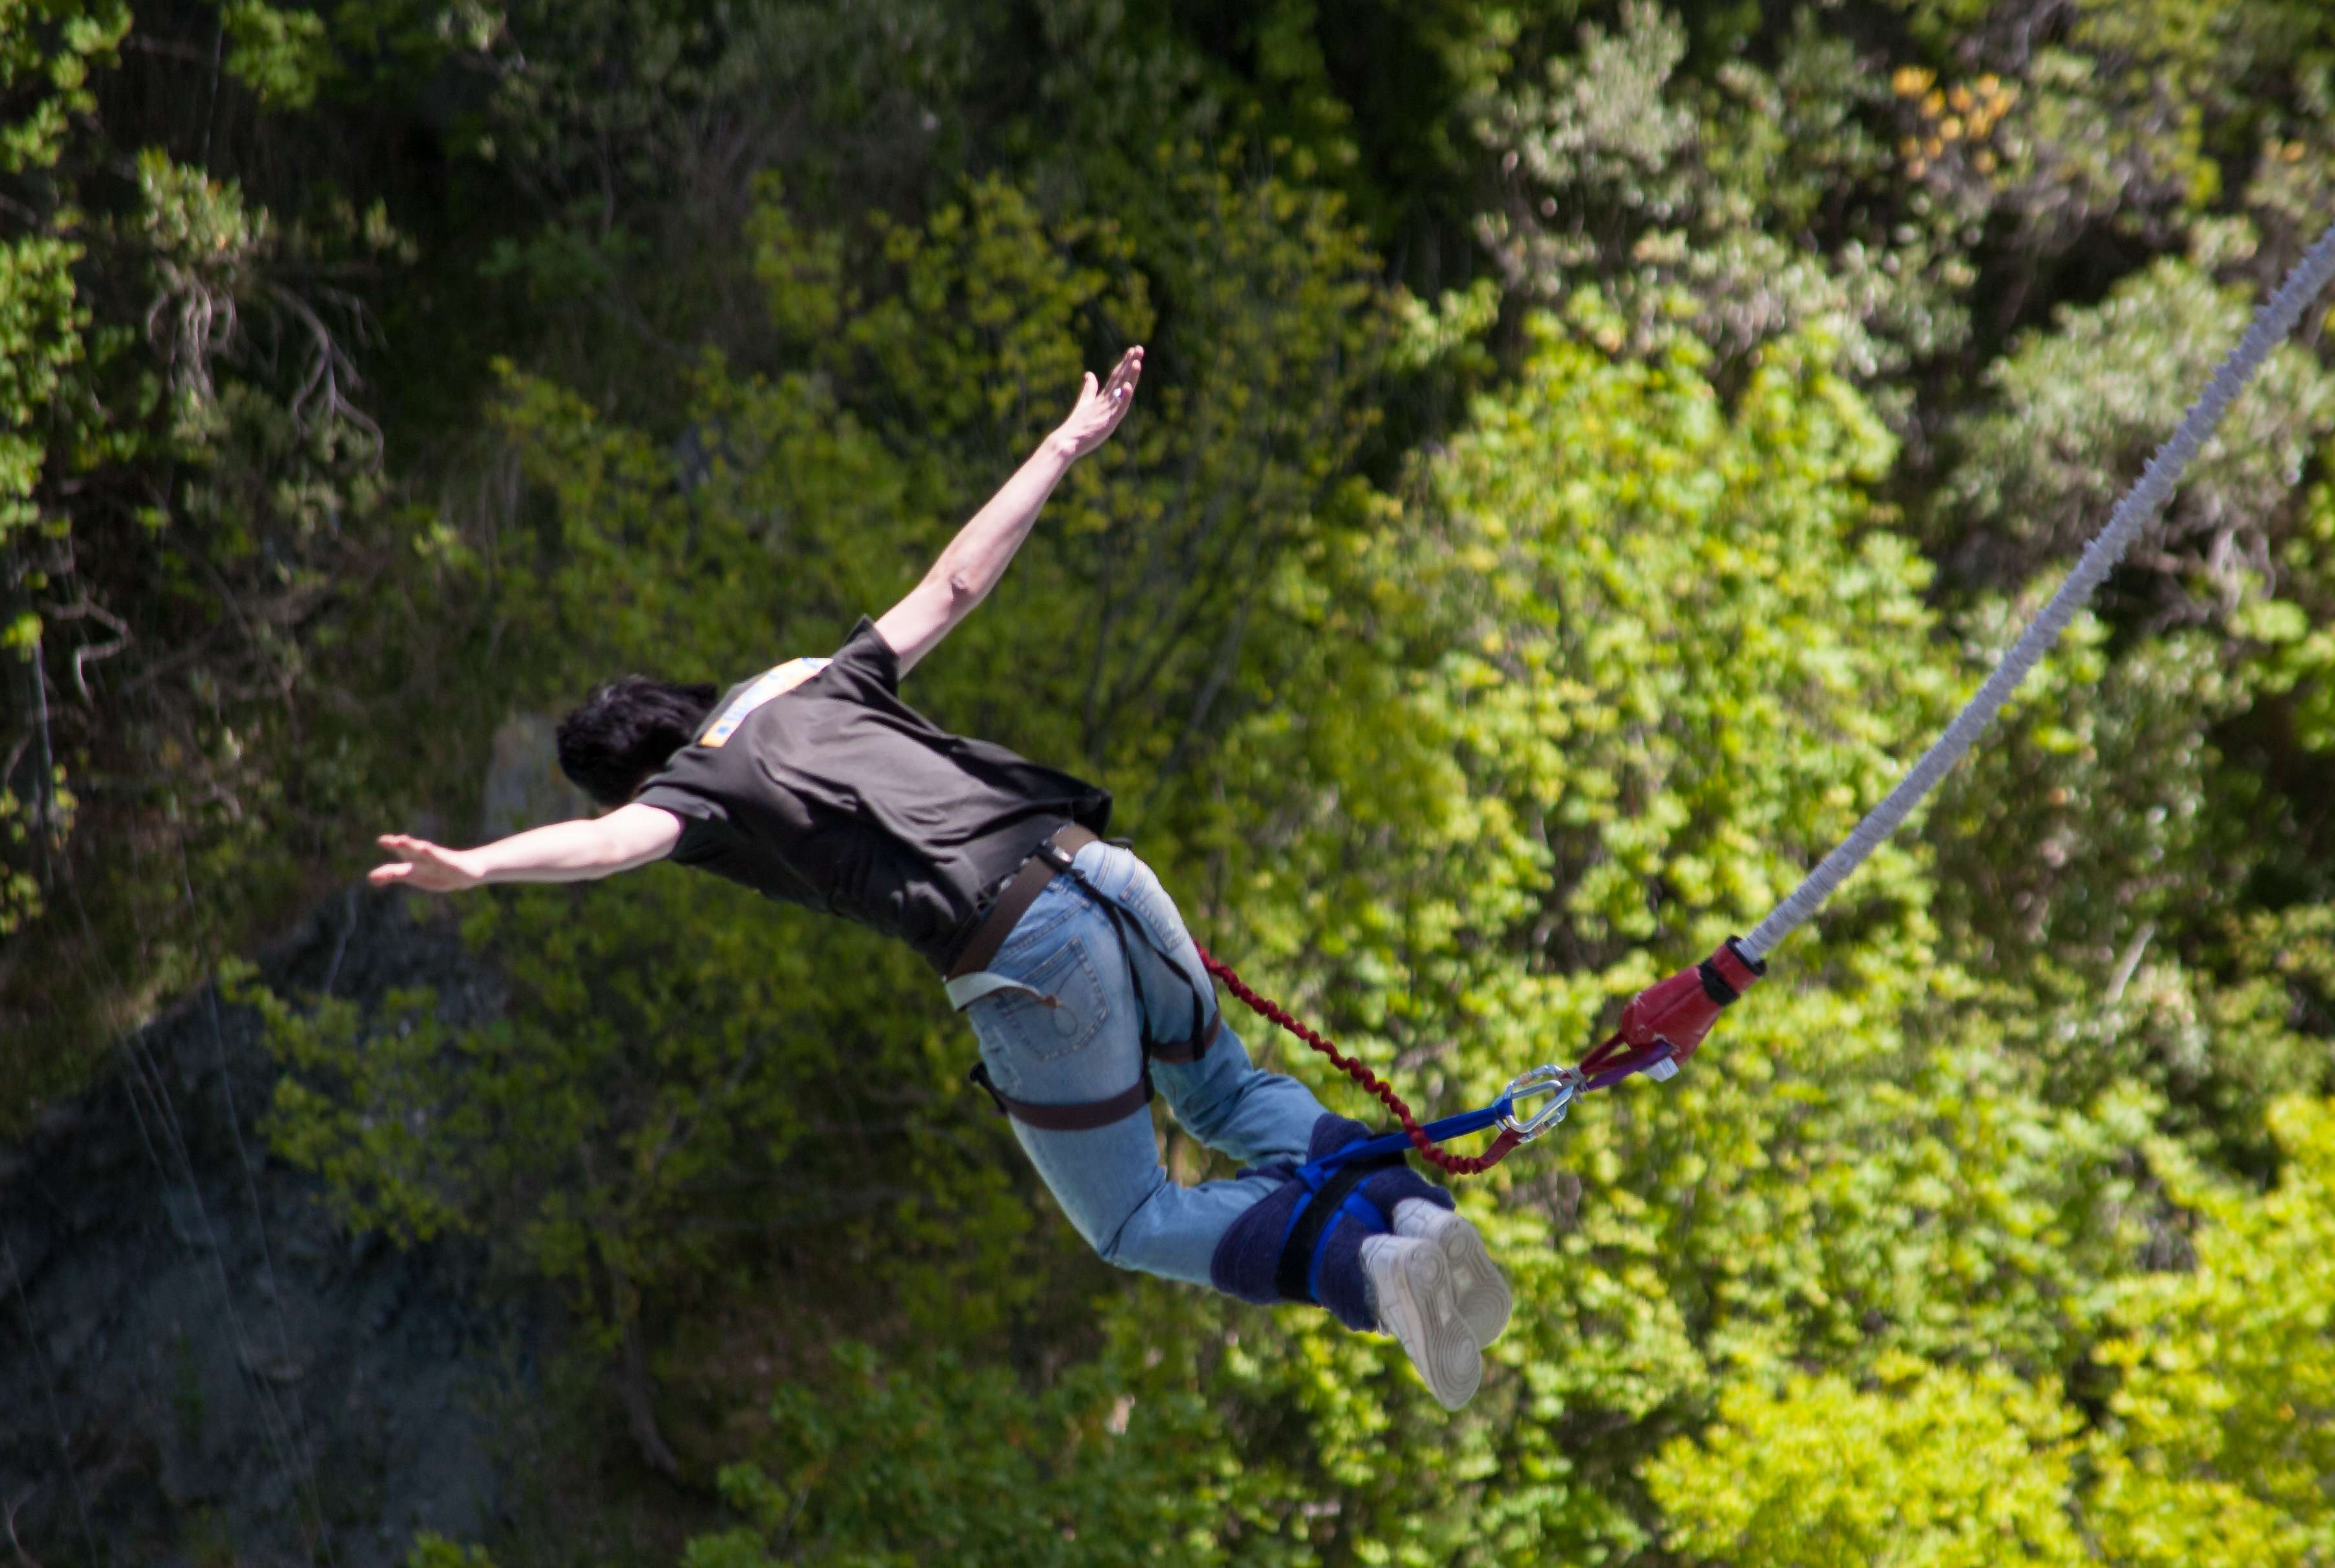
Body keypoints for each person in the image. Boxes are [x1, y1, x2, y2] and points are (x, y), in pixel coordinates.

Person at [367, 349, 1511, 1410]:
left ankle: (1368, 1272)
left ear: (634, 776)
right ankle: (1411, 1213)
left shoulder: (694, 794)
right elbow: (956, 586)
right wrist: (1063, 446)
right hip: (1101, 870)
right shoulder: (801, 682)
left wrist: (478, 864)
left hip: (1027, 958)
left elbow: (613, 846)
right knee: (1221, 1093)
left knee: (1126, 1218)